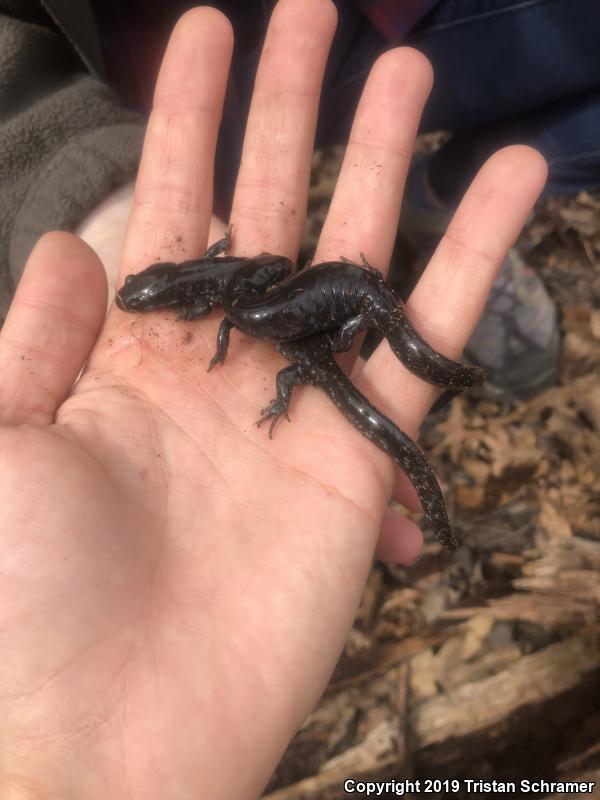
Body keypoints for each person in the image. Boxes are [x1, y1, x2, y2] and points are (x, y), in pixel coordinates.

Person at [0, 2, 547, 797]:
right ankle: (439, 384)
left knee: (363, 361)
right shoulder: (234, 309)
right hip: (312, 301)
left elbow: (227, 309)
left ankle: (443, 372)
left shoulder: (232, 314)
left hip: (316, 302)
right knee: (362, 377)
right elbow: (229, 300)